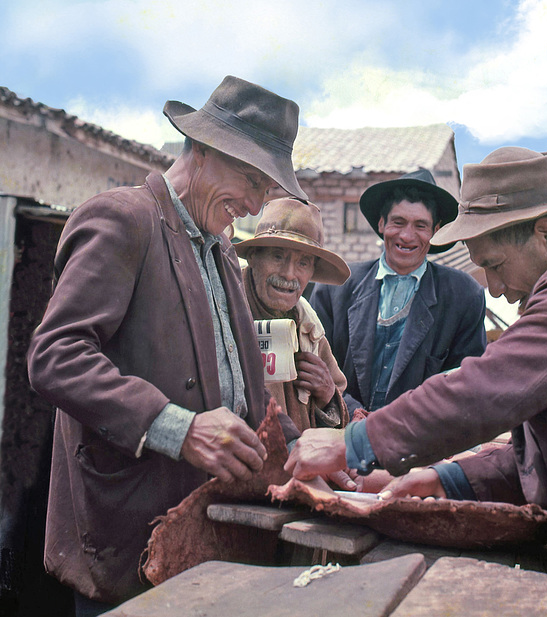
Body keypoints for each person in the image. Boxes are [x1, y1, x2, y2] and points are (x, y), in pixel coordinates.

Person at [285, 147, 547, 617]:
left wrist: (353, 442)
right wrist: (442, 476)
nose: (492, 287)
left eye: (493, 264)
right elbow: (544, 451)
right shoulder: (347, 287)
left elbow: (487, 386)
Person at [27, 75, 306, 614]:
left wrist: (299, 448)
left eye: (265, 190)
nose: (253, 205)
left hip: (200, 537)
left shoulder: (221, 250)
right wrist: (178, 428)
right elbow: (55, 355)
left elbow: (244, 385)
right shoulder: (124, 217)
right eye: (249, 179)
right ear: (200, 150)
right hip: (129, 534)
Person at [310, 169, 487, 418]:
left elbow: (465, 382)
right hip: (340, 431)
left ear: (435, 231)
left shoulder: (464, 295)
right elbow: (315, 363)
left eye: (421, 225)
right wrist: (350, 410)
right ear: (382, 223)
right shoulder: (336, 286)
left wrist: (399, 426)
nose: (406, 236)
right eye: (398, 222)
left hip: (420, 441)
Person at [234, 197, 351, 434]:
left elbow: (338, 412)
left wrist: (328, 394)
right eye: (278, 256)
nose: (289, 275)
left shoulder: (308, 326)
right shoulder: (226, 309)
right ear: (254, 256)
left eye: (303, 263)